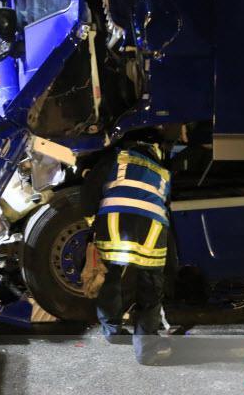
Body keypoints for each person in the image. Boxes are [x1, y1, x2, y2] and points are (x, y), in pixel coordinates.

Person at [81, 130, 174, 365]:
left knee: (110, 276)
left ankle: (112, 331)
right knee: (151, 289)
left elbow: (89, 191)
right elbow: (165, 206)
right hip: (153, 231)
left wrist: (93, 223)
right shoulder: (163, 172)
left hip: (114, 225)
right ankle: (147, 350)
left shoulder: (118, 157)